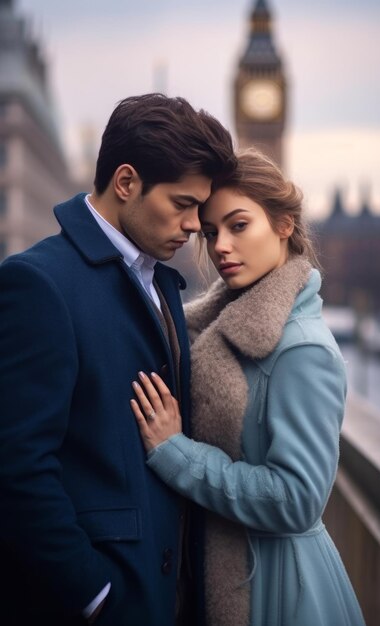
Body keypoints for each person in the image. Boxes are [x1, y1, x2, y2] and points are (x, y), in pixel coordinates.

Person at [0, 93, 236, 626]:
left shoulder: (161, 280)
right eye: (182, 204)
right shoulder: (38, 284)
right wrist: (96, 596)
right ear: (126, 183)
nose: (197, 224)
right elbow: (16, 469)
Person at [131, 148, 366, 626]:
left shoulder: (301, 349)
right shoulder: (218, 329)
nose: (220, 246)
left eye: (239, 226)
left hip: (282, 591)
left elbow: (298, 500)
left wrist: (177, 453)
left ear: (283, 225)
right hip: (241, 576)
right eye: (213, 231)